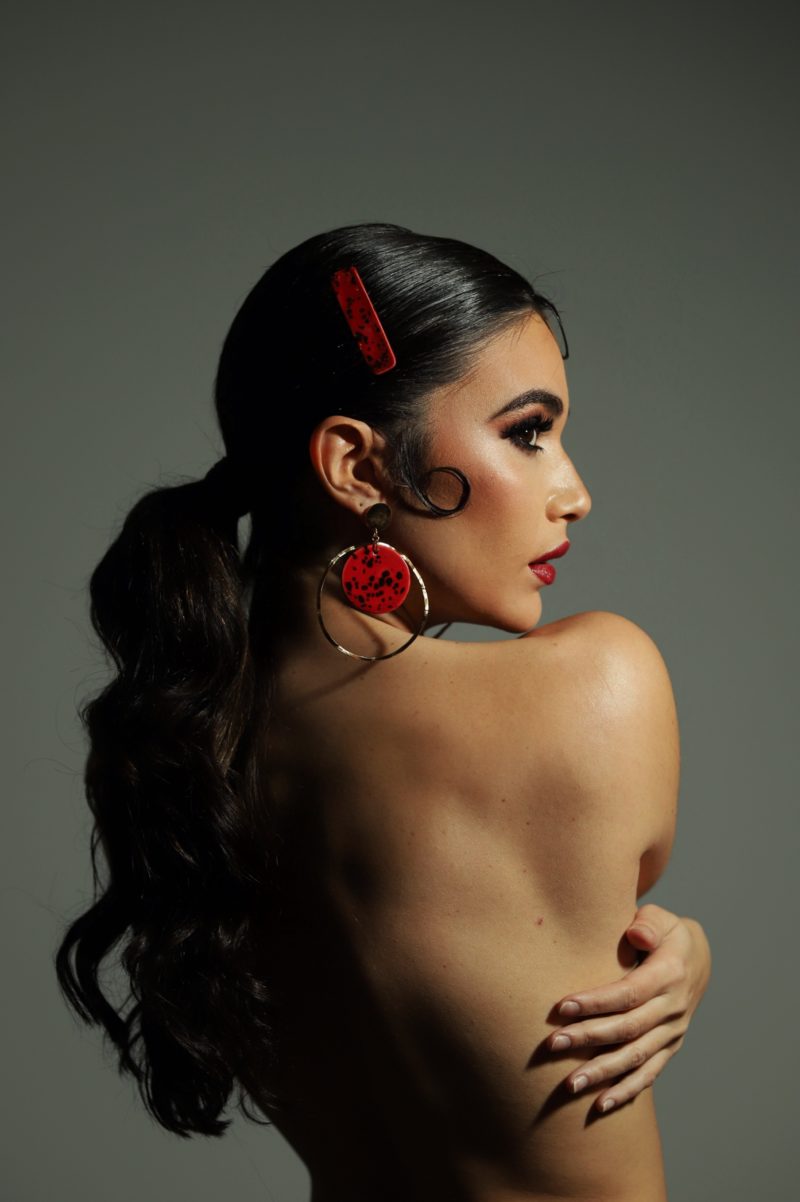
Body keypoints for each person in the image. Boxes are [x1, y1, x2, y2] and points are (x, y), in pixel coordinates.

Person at [55, 221, 711, 1202]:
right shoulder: (598, 681)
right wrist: (680, 948)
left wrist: (664, 944)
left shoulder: (189, 750)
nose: (573, 492)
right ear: (356, 468)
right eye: (526, 432)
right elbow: (593, 910)